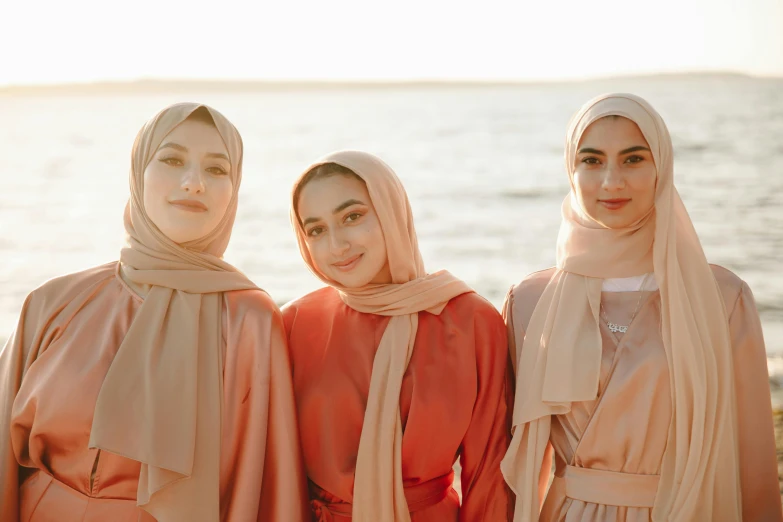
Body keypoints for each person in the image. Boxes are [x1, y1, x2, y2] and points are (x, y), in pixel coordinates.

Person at [0, 103, 309, 522]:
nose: (194, 183)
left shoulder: (249, 321)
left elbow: (264, 485)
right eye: (172, 159)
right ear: (138, 172)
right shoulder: (54, 301)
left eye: (217, 169)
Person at [501, 93, 782, 522]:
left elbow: (755, 462)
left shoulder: (722, 298)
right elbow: (511, 466)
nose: (611, 181)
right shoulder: (529, 302)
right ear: (570, 172)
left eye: (633, 159)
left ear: (661, 169)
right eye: (591, 161)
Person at [283, 150, 514, 521]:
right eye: (316, 230)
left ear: (391, 213)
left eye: (352, 217)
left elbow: (490, 469)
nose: (336, 245)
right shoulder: (294, 324)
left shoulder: (471, 321)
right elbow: (275, 469)